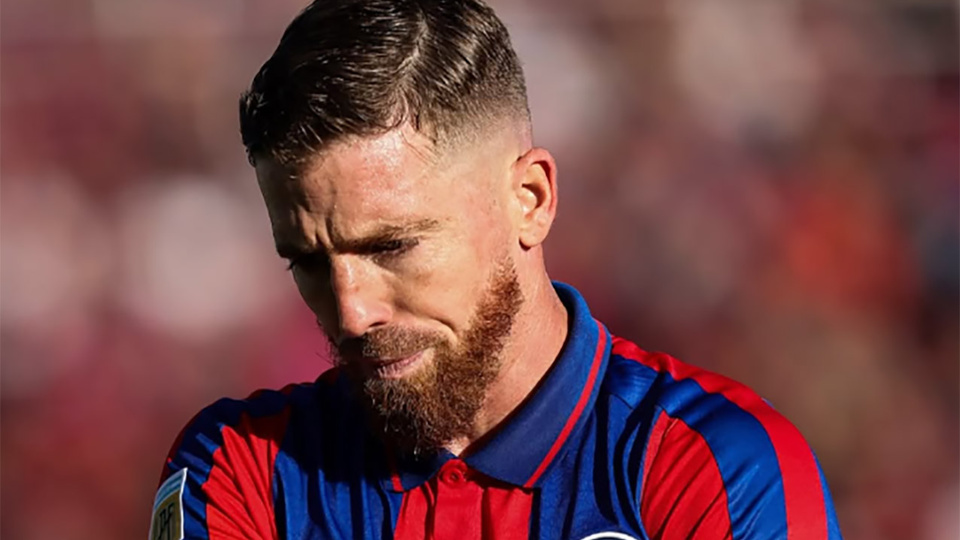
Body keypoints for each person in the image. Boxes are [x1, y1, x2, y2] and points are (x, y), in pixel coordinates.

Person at [150, 0, 843, 538]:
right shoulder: (240, 468)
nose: (352, 312)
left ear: (529, 200)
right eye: (307, 261)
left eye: (391, 247)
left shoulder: (713, 470)